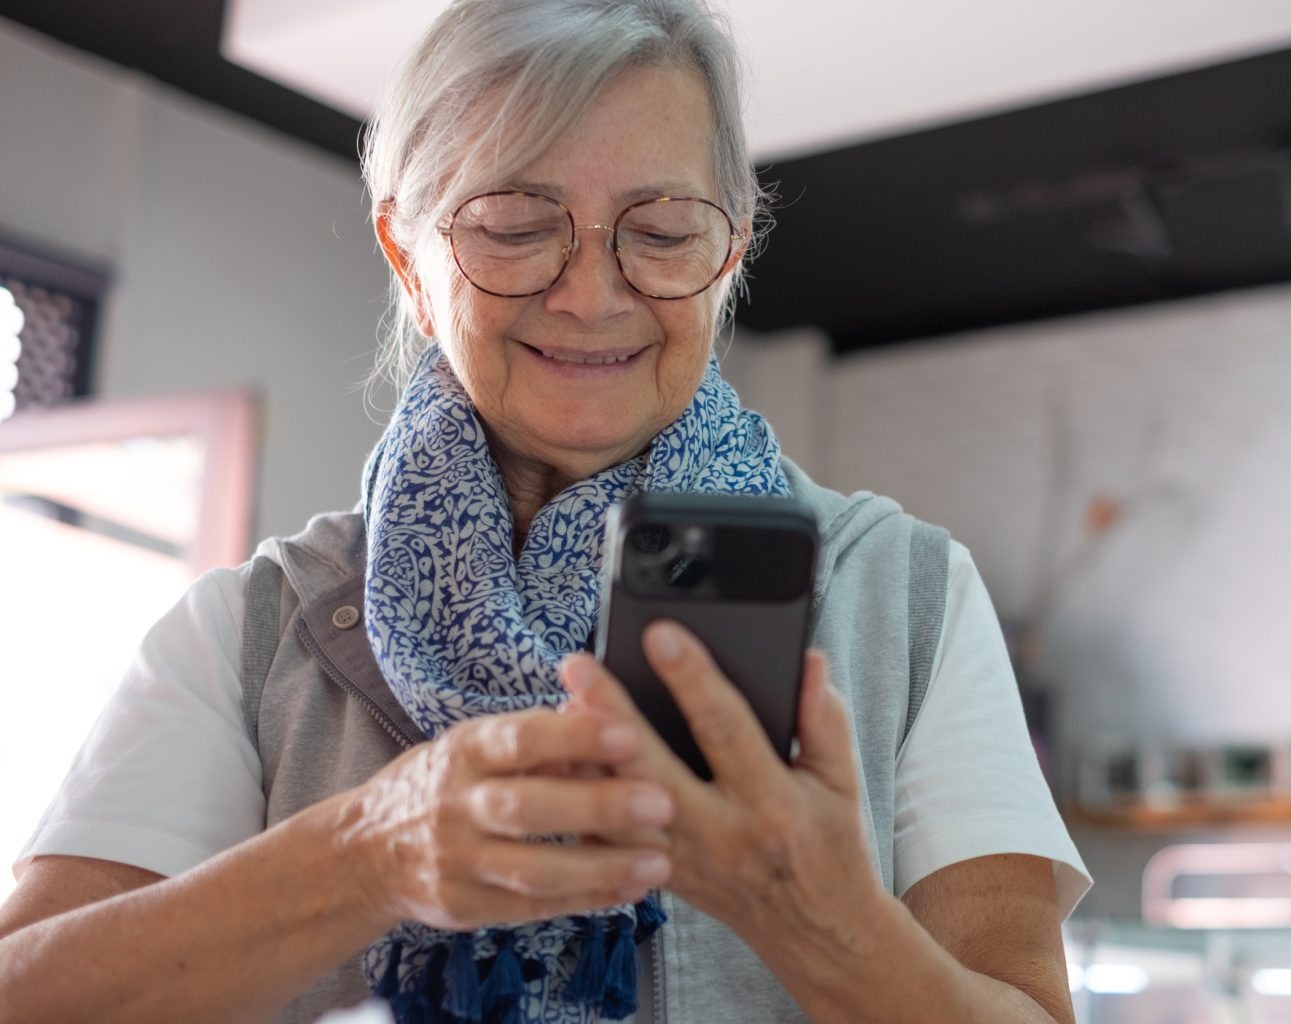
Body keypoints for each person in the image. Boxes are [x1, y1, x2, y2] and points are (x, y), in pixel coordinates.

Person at [0, 1, 1090, 1021]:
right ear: (409, 258)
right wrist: (365, 854)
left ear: (732, 253)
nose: (591, 292)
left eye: (661, 231)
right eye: (517, 225)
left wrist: (824, 925)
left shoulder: (903, 594)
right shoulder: (254, 629)